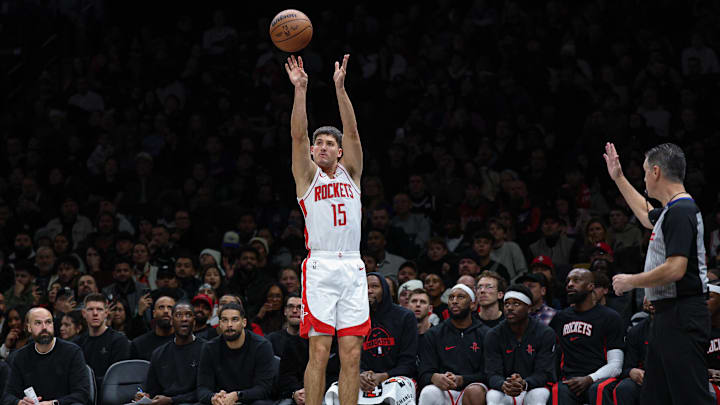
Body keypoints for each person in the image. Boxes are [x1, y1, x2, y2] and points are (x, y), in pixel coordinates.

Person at [285, 53, 370, 405]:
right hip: (320, 266)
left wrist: (340, 88)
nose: (321, 146)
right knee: (318, 352)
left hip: (352, 265)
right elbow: (297, 135)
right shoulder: (307, 177)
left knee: (351, 355)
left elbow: (351, 130)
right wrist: (301, 90)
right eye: (318, 143)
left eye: (328, 144)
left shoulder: (352, 174)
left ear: (339, 152)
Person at [606, 142, 714, 404]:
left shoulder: (682, 211)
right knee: (655, 397)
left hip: (682, 314)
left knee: (691, 397)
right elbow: (645, 215)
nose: (643, 178)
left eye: (644, 172)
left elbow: (676, 268)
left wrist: (631, 281)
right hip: (666, 316)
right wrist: (618, 178)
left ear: (655, 172)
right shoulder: (671, 211)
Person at [549, 268, 624, 405]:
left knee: (598, 389)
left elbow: (616, 365)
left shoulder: (610, 318)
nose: (570, 284)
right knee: (558, 390)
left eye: (576, 280)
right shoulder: (560, 318)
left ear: (590, 286)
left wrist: (590, 378)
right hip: (570, 379)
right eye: (568, 281)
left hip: (600, 378)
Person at [484, 285, 556, 405]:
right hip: (504, 388)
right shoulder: (493, 335)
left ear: (529, 308)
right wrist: (504, 384)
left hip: (533, 387)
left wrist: (524, 383)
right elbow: (492, 373)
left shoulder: (545, 333)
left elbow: (544, 373)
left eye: (516, 304)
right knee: (493, 396)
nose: (510, 308)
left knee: (539, 395)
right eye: (506, 304)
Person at [418, 284, 489, 405]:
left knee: (475, 391)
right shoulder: (434, 334)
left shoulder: (486, 334)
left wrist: (463, 380)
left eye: (460, 297)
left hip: (474, 387)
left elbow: (490, 373)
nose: (454, 301)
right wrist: (434, 377)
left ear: (473, 304)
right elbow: (423, 372)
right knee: (428, 392)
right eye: (451, 298)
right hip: (444, 389)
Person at [3, 307, 91, 405]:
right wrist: (20, 402)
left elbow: (82, 394)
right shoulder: (20, 356)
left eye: (48, 322)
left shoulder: (72, 352)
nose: (44, 327)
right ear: (29, 327)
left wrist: (53, 403)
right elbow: (7, 396)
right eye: (38, 323)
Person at [196, 302, 275, 404]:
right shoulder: (209, 348)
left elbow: (264, 388)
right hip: (222, 402)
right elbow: (202, 388)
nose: (229, 325)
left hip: (250, 400)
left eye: (235, 319)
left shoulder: (262, 346)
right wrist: (213, 398)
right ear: (219, 324)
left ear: (244, 322)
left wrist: (237, 395)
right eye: (225, 320)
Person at [357, 273, 418, 397]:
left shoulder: (405, 316)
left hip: (397, 377)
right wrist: (361, 374)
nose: (369, 291)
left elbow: (409, 362)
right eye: (365, 286)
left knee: (397, 387)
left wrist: (384, 376)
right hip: (365, 379)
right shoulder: (355, 318)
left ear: (384, 290)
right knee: (337, 389)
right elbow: (350, 357)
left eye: (374, 286)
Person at [137, 301, 204, 405]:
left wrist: (172, 400)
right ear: (171, 321)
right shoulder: (159, 353)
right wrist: (145, 396)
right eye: (178, 315)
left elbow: (205, 391)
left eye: (188, 315)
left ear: (194, 322)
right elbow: (153, 390)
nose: (184, 319)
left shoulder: (206, 349)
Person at [76, 293, 130, 389]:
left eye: (99, 309)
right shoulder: (77, 343)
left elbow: (118, 376)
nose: (95, 313)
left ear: (106, 313)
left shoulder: (119, 341)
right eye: (90, 309)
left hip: (111, 393)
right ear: (84, 313)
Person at [610, 299, 653, 405]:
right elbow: (627, 366)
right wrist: (631, 371)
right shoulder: (636, 331)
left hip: (672, 376)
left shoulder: (680, 326)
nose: (650, 299)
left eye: (655, 293)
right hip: (645, 378)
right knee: (625, 387)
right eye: (647, 294)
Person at [129, 295, 176, 360]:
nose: (166, 311)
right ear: (154, 313)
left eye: (170, 307)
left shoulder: (185, 341)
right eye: (161, 307)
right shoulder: (139, 344)